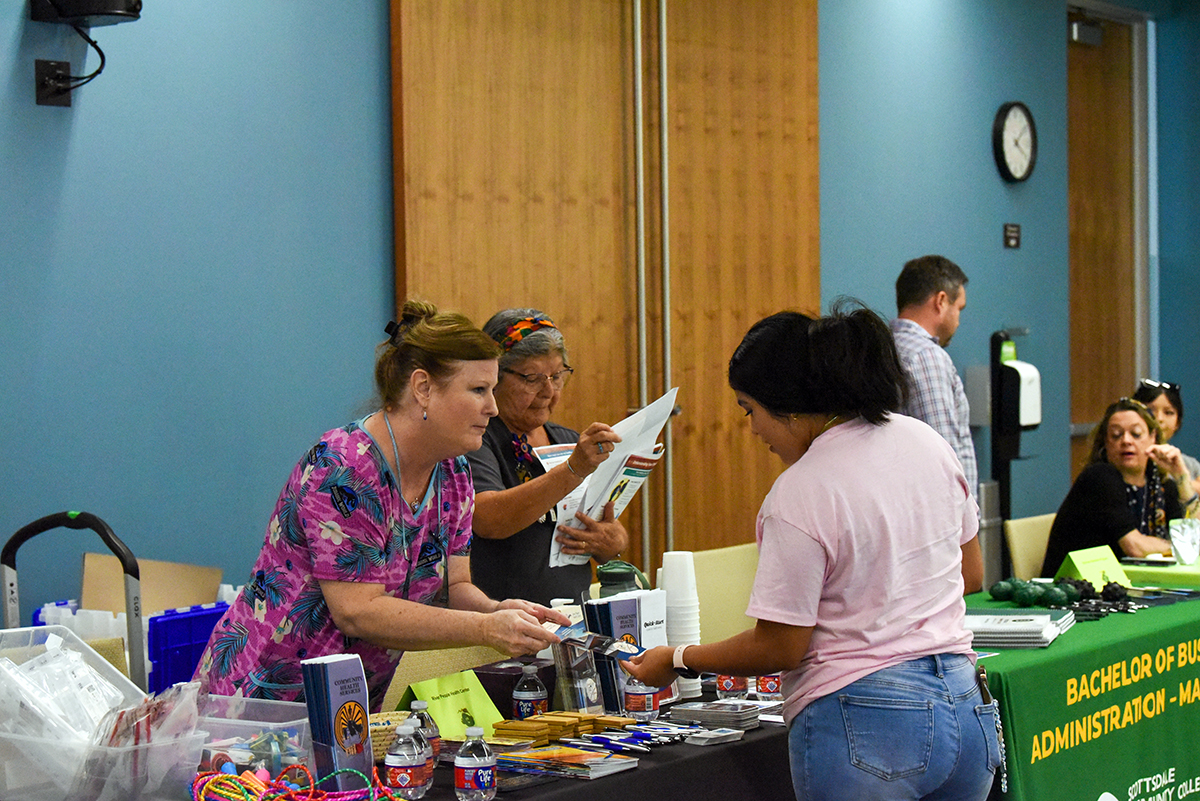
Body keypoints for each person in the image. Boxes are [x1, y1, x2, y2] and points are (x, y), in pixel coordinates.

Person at [625, 302, 996, 801]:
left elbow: (780, 646)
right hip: (967, 711)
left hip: (867, 721)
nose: (754, 430)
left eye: (750, 410)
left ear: (790, 407)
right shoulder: (925, 441)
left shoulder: (800, 491)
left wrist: (679, 657)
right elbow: (970, 573)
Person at [194, 301, 568, 710]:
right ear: (423, 387)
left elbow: (453, 587)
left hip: (354, 704)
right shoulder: (344, 467)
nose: (493, 407)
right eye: (478, 390)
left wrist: (499, 610)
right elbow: (358, 612)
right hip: (263, 699)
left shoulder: (454, 471)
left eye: (492, 390)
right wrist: (486, 628)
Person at [467, 309, 629, 607]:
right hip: (501, 624)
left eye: (557, 376)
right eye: (532, 378)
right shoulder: (476, 439)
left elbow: (605, 526)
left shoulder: (568, 441)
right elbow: (488, 519)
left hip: (573, 621)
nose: (548, 391)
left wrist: (612, 543)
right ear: (494, 378)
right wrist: (573, 469)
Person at [1040, 397, 1199, 578]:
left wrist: (1181, 475)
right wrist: (1179, 548)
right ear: (1106, 443)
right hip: (1077, 591)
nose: (1126, 441)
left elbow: (1194, 534)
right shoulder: (1099, 478)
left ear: (1152, 437)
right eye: (1116, 435)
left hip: (1133, 586)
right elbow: (1135, 547)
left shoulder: (1161, 486)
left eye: (1136, 434)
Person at [891, 254, 978, 501]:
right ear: (941, 301)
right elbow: (943, 459)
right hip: (940, 523)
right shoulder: (926, 357)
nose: (959, 321)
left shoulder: (885, 347)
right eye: (958, 308)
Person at [1132, 378, 1200, 497]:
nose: (1159, 419)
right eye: (1151, 410)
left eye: (1168, 412)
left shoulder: (1190, 464)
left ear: (1178, 422)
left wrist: (1179, 474)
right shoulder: (1127, 457)